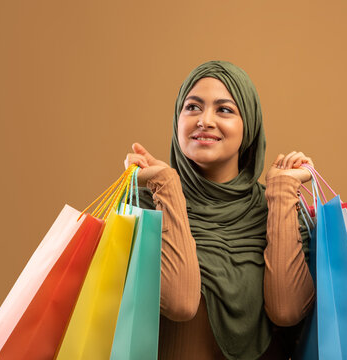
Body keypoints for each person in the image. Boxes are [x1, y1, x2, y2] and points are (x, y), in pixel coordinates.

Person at [124, 60, 315, 360]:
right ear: (177, 119)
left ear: (248, 125)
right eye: (193, 107)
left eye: (224, 110)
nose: (205, 121)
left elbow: (287, 309)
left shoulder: (282, 210)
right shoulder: (143, 208)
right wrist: (167, 186)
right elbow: (180, 301)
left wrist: (281, 191)